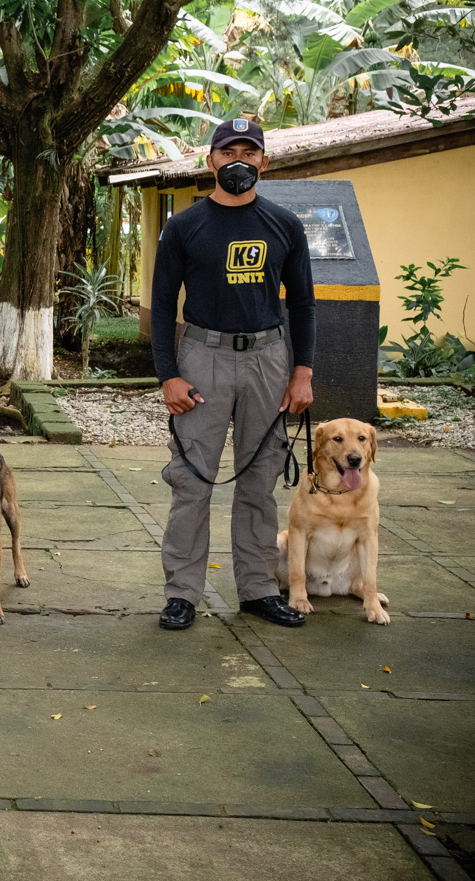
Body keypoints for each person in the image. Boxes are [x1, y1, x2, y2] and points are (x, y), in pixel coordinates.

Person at [152, 118, 316, 631]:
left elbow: (304, 304)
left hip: (268, 358)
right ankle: (182, 593)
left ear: (264, 161)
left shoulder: (284, 225)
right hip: (203, 357)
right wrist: (168, 374)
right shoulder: (184, 226)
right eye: (228, 152)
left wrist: (303, 372)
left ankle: (259, 589)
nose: (238, 161)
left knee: (260, 478)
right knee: (192, 480)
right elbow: (162, 304)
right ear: (211, 161)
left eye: (249, 152)